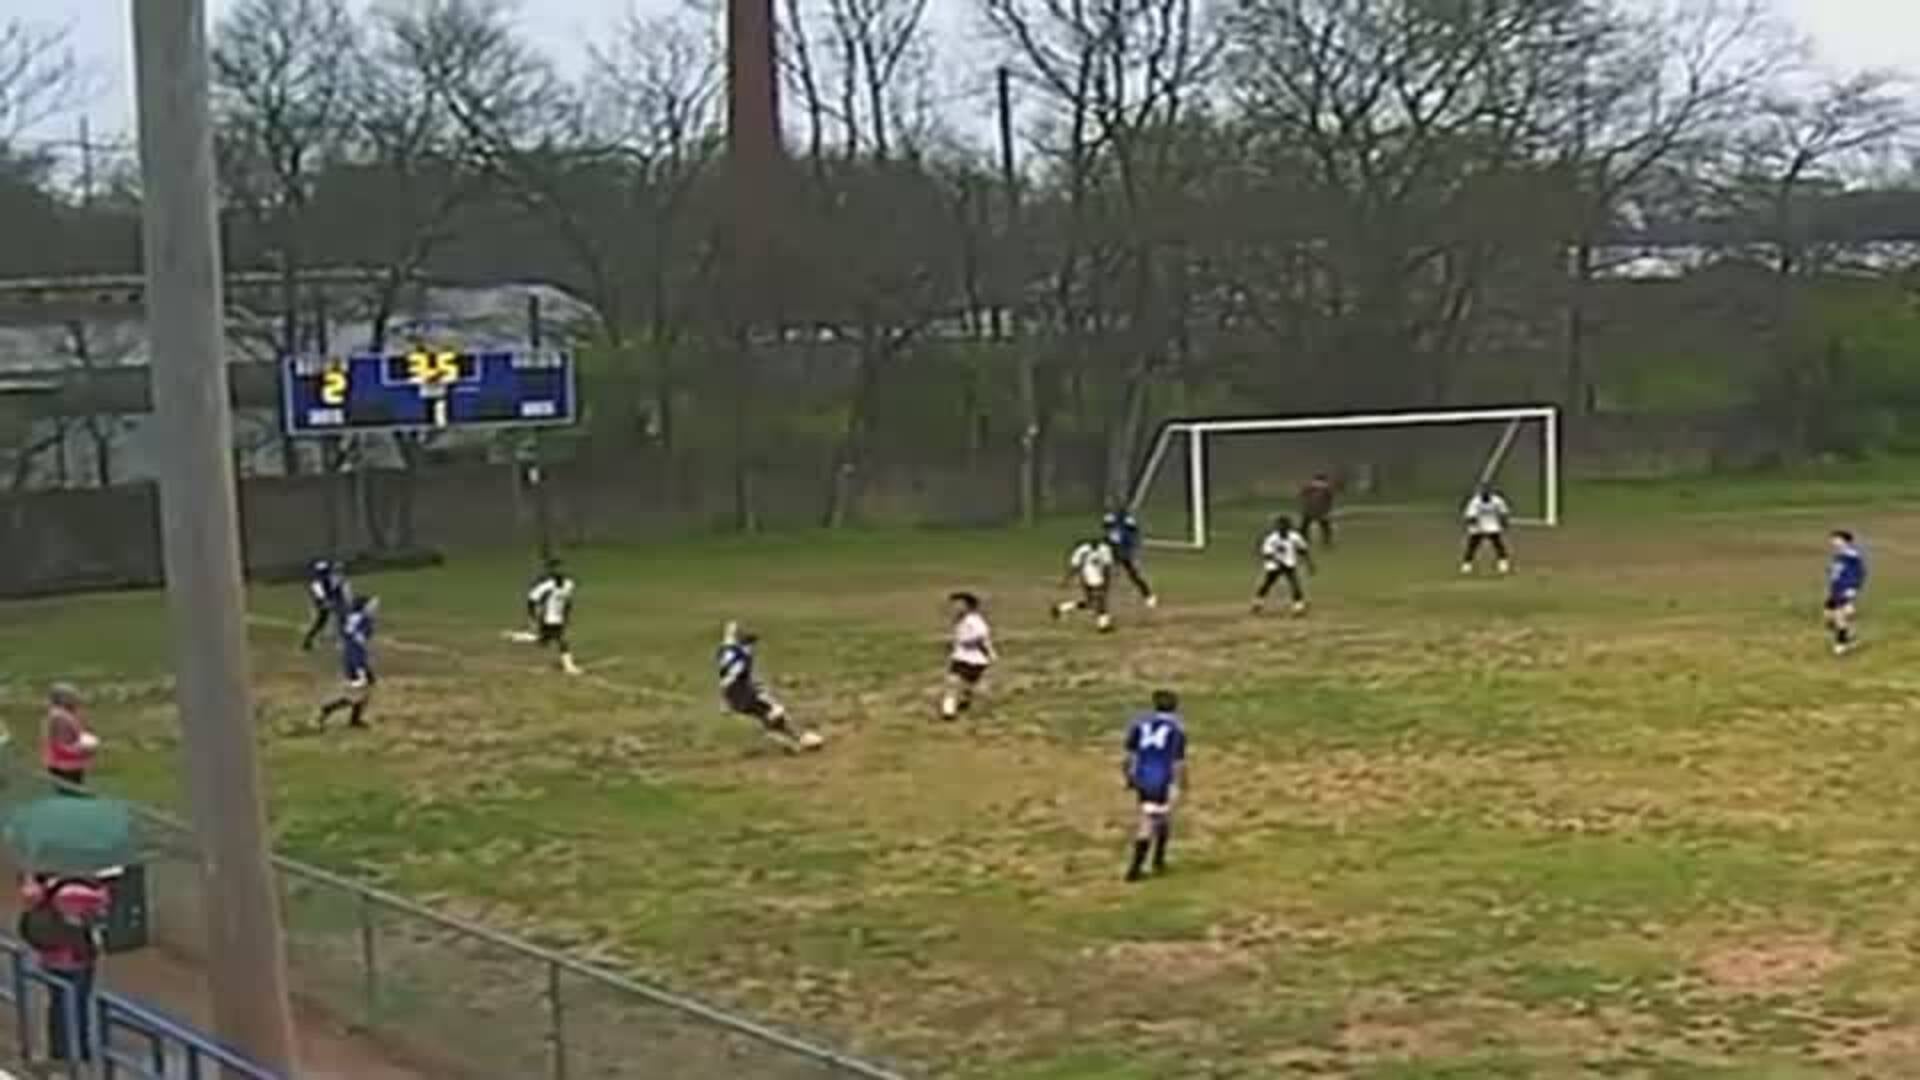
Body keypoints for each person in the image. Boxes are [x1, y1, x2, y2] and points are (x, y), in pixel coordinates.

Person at [18, 875, 108, 1064]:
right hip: (76, 960)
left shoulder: (40, 890)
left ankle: (58, 1049)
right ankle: (79, 1051)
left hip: (51, 959)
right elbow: (100, 909)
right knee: (78, 1005)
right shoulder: (77, 892)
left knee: (57, 1003)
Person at [718, 622, 824, 752]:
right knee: (775, 711)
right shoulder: (742, 652)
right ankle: (801, 739)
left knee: (765, 715)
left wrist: (726, 699)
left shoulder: (725, 650)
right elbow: (741, 672)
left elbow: (729, 675)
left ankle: (785, 741)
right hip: (743, 691)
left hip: (732, 694)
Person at [1122, 690, 1188, 882]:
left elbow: (1129, 755)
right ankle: (1135, 869)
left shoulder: (1140, 725)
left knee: (1163, 817)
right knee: (1149, 820)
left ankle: (1159, 860)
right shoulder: (1176, 730)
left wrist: (1128, 776)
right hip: (1160, 778)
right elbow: (1178, 762)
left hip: (1142, 776)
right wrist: (1180, 784)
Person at [317, 596, 379, 730]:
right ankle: (328, 709)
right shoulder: (362, 622)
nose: (374, 609)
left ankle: (354, 719)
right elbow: (355, 646)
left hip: (354, 659)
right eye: (371, 606)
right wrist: (360, 669)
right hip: (355, 661)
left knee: (367, 688)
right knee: (358, 692)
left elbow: (345, 625)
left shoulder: (356, 619)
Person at [941, 592, 996, 720]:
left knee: (964, 684)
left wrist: (965, 640)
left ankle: (961, 704)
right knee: (953, 683)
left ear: (968, 606)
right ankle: (949, 711)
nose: (955, 607)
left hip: (971, 658)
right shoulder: (961, 619)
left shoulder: (974, 620)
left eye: (959, 604)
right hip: (963, 657)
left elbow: (982, 634)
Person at [521, 561, 582, 675]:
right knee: (562, 639)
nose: (557, 572)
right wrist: (532, 617)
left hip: (558, 617)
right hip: (547, 617)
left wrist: (566, 615)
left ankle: (520, 637)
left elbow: (568, 601)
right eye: (554, 570)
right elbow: (532, 600)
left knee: (544, 640)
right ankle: (569, 667)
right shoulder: (546, 586)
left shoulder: (568, 584)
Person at [1252, 515, 1315, 616]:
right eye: (1280, 526)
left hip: (1289, 564)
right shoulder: (1272, 538)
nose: (1283, 529)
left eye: (1285, 526)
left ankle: (1298, 607)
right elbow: (1267, 554)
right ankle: (1258, 603)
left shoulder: (1295, 537)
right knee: (1267, 584)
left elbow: (1303, 550)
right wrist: (1278, 563)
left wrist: (1310, 563)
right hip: (1274, 565)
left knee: (1295, 584)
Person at [1053, 537, 1117, 632]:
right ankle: (1103, 626)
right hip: (1088, 578)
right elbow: (1075, 567)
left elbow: (1107, 568)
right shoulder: (1082, 551)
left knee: (1091, 603)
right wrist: (1067, 580)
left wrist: (1106, 582)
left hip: (1098, 577)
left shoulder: (1105, 550)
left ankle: (1062, 608)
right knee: (1100, 600)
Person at [43, 684, 99, 789]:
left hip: (67, 764)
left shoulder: (65, 714)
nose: (76, 699)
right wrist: (86, 747)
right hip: (65, 766)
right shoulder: (60, 717)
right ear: (62, 699)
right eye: (72, 696)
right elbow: (62, 745)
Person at [1102, 505, 1158, 608]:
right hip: (1114, 552)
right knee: (1106, 574)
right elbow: (1109, 537)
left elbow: (1133, 534)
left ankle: (1148, 596)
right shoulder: (1113, 523)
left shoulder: (1126, 523)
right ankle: (1102, 597)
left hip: (1125, 552)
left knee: (1134, 575)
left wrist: (1133, 550)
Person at [1826, 529, 1867, 656]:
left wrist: (1853, 589)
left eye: (1835, 538)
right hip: (1835, 590)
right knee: (1829, 617)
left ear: (1844, 541)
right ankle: (1850, 635)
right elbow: (1836, 570)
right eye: (1832, 539)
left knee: (1840, 618)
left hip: (1844, 590)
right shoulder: (1839, 555)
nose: (1832, 541)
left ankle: (1841, 644)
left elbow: (1860, 573)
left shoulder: (1852, 555)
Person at [1460, 482, 1513, 575]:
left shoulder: (1497, 501)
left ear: (1490, 492)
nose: (1485, 493)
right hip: (1478, 525)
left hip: (1492, 524)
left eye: (1487, 491)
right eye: (1483, 492)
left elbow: (1504, 512)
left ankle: (1503, 563)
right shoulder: (1475, 502)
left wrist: (1504, 523)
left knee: (1498, 544)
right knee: (1472, 546)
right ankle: (1467, 565)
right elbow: (1470, 516)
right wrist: (1474, 526)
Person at [300, 558, 351, 651]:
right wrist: (327, 602)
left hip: (328, 599)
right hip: (321, 601)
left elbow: (337, 590)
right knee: (323, 620)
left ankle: (338, 640)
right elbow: (321, 597)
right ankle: (309, 641)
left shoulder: (330, 578)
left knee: (334, 618)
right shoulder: (316, 583)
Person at [1299, 473, 1336, 548]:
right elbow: (1330, 498)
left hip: (1309, 510)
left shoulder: (1310, 486)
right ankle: (1327, 542)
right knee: (1325, 527)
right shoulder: (1327, 488)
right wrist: (1328, 508)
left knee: (1304, 527)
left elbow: (1302, 494)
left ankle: (1304, 540)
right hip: (1321, 511)